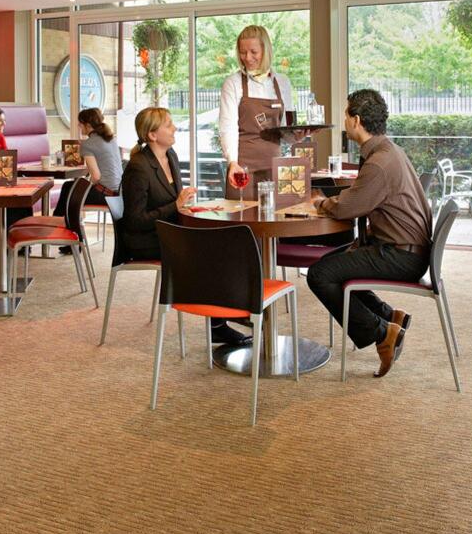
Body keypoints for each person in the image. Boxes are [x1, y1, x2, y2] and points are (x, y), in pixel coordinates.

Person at [307, 90, 432, 378]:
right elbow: (360, 198)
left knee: (319, 275)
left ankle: (383, 333)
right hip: (407, 249)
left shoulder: (378, 162)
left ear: (356, 120)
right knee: (336, 264)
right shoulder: (388, 151)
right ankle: (390, 316)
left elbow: (347, 208)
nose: (344, 121)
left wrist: (320, 202)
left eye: (346, 115)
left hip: (401, 255)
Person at [122, 107, 250, 345]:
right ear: (152, 135)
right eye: (168, 125)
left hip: (170, 231)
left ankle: (230, 311)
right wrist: (176, 205)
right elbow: (135, 220)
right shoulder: (138, 167)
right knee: (210, 251)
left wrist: (186, 207)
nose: (174, 128)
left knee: (226, 243)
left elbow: (174, 203)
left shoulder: (170, 155)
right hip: (144, 240)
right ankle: (218, 324)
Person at [218, 25, 293, 200]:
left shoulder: (282, 82)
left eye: (253, 52)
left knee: (273, 216)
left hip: (274, 167)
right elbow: (227, 127)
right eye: (242, 52)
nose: (247, 58)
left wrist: (297, 136)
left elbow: (286, 129)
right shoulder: (233, 83)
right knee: (240, 215)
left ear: (266, 51)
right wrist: (232, 162)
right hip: (242, 168)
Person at [54, 107, 122, 213]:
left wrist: (87, 185)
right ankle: (62, 219)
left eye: (80, 123)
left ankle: (58, 219)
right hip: (119, 193)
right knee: (70, 187)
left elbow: (96, 176)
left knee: (68, 188)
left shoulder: (88, 144)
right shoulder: (111, 139)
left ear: (88, 125)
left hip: (105, 195)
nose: (78, 126)